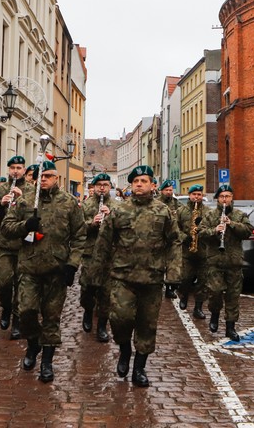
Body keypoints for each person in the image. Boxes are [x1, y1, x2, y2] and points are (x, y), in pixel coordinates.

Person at [87, 165, 182, 387]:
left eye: (143, 181)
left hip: (152, 277)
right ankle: (124, 348)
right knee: (120, 318)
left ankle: (139, 367)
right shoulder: (119, 211)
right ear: (131, 185)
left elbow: (174, 242)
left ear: (152, 185)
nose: (139, 184)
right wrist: (94, 277)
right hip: (122, 276)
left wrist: (174, 273)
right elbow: (103, 244)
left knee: (147, 324)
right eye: (136, 181)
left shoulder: (163, 211)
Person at [1, 160, 85, 382]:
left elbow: (79, 236)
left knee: (51, 317)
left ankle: (47, 362)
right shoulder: (24, 201)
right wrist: (25, 225)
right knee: (26, 311)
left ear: (56, 178)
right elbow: (6, 228)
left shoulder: (68, 203)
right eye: (41, 176)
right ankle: (33, 344)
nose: (44, 179)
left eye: (48, 175)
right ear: (35, 179)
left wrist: (72, 264)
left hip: (56, 270)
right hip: (29, 267)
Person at [0, 155, 34, 339]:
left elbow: (36, 214)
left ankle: (17, 320)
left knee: (21, 286)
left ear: (24, 170)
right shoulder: (0, 190)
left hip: (25, 244)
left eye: (19, 167)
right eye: (13, 167)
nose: (16, 170)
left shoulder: (31, 190)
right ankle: (6, 307)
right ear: (9, 170)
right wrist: (1, 204)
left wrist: (23, 200)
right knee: (3, 282)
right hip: (4, 244)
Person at [200, 184, 252, 341]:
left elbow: (248, 231)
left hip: (234, 262)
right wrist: (214, 230)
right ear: (217, 198)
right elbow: (201, 233)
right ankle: (214, 315)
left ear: (232, 198)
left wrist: (231, 224)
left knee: (233, 297)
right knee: (215, 292)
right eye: (222, 196)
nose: (225, 199)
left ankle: (230, 327)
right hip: (214, 261)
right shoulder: (210, 216)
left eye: (227, 196)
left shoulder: (239, 215)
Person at [80, 172, 118, 342]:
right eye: (99, 185)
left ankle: (102, 325)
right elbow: (78, 228)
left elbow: (124, 228)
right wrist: (92, 224)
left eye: (105, 185)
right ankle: (88, 311)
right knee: (88, 288)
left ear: (110, 187)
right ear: (94, 187)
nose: (102, 188)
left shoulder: (117, 206)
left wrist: (111, 218)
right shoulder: (86, 205)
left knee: (106, 292)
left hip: (110, 255)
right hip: (90, 253)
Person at [178, 184, 208, 320]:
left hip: (203, 252)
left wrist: (203, 232)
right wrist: (185, 237)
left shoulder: (208, 212)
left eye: (199, 194)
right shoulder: (182, 211)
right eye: (194, 194)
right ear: (189, 195)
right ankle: (184, 295)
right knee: (185, 278)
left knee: (202, 281)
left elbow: (212, 228)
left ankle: (198, 307)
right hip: (186, 252)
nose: (196, 197)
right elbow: (174, 229)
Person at [156, 179, 185, 300]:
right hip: (159, 238)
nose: (168, 192)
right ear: (161, 191)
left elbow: (183, 217)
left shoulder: (177, 204)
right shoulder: (156, 203)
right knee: (159, 264)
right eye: (166, 190)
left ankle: (170, 288)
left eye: (170, 190)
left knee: (173, 265)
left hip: (172, 238)